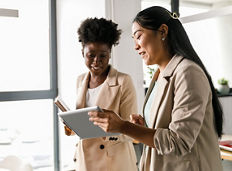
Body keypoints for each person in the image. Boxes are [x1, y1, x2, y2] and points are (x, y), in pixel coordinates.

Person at [88, 6, 223, 171]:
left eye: (138, 36)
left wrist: (124, 126)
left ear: (163, 32)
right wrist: (143, 127)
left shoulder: (188, 72)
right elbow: (165, 128)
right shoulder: (159, 75)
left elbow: (179, 141)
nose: (135, 46)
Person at [65, 17, 138, 171]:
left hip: (114, 162)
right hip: (85, 161)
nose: (96, 61)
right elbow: (84, 125)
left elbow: (133, 131)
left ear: (110, 54)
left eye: (102, 55)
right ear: (82, 53)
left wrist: (109, 130)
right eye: (91, 55)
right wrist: (71, 127)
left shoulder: (124, 81)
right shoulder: (80, 81)